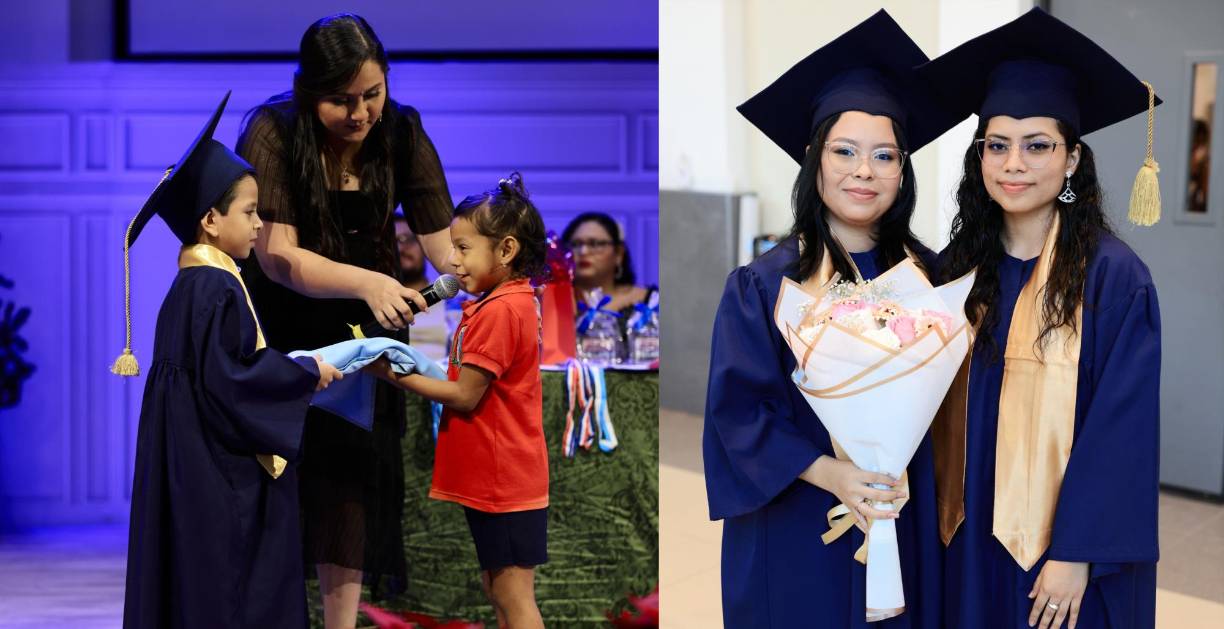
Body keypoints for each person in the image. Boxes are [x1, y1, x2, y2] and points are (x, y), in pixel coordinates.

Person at [702, 11, 965, 627]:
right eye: (844, 152)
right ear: (814, 160)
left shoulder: (931, 278)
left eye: (884, 155)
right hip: (798, 516)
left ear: (904, 170)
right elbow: (738, 414)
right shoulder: (765, 284)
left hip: (903, 514)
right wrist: (833, 474)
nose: (864, 171)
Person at [919, 8, 1162, 629]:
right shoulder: (955, 268)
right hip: (963, 532)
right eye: (996, 146)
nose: (1014, 164)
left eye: (1038, 146)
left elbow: (1122, 430)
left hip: (1059, 550)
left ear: (1073, 159)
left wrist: (1078, 552)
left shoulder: (1113, 278)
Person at [235, 14, 455, 627]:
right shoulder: (273, 129)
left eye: (372, 95)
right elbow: (277, 257)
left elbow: (444, 248)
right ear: (310, 92)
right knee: (279, 478)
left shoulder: (403, 130)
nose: (360, 114)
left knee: (351, 490)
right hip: (284, 325)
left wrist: (492, 266)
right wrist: (371, 282)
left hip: (368, 330)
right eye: (340, 100)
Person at [115, 93, 342, 629]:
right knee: (232, 591)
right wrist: (308, 372)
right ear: (212, 220)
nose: (261, 224)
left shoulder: (190, 285)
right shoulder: (215, 287)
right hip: (218, 477)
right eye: (250, 212)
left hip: (189, 466)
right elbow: (233, 380)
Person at [371, 173, 550, 629]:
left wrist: (393, 374)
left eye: (464, 248)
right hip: (495, 481)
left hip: (504, 482)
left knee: (513, 594)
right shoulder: (501, 303)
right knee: (499, 590)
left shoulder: (503, 309)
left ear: (506, 250)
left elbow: (464, 396)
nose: (450, 261)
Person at [561, 212, 650, 311]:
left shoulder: (649, 301)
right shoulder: (551, 302)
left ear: (618, 253)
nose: (583, 252)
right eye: (575, 244)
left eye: (595, 244)